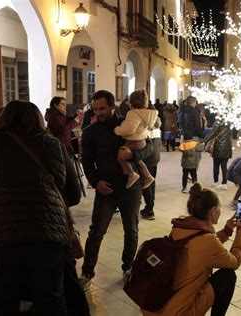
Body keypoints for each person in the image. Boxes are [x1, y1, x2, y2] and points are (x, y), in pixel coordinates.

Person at [0, 100, 82, 315]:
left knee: (0, 305)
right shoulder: (53, 145)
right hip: (46, 239)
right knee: (50, 301)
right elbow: (73, 195)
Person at [80, 90, 152, 290]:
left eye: (102, 108)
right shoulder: (90, 131)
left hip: (130, 186)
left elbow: (150, 147)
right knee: (96, 232)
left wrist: (133, 155)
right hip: (106, 188)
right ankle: (87, 272)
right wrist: (96, 182)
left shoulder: (129, 122)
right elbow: (86, 161)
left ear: (112, 106)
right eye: (95, 109)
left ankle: (128, 267)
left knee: (131, 229)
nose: (99, 112)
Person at [141, 183, 241, 315]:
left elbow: (199, 245)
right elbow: (234, 261)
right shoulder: (207, 241)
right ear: (212, 211)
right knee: (227, 276)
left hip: (158, 307)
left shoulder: (180, 228)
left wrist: (227, 230)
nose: (220, 210)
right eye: (219, 207)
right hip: (180, 312)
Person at [114, 89, 158, 189]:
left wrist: (117, 130)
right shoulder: (147, 114)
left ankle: (131, 174)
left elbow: (129, 129)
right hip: (141, 141)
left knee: (121, 156)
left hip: (133, 141)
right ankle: (147, 176)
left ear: (131, 102)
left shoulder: (133, 113)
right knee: (138, 160)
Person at [140, 106, 162, 220]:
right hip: (155, 158)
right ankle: (150, 207)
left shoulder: (145, 126)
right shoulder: (157, 124)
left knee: (146, 183)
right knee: (152, 182)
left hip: (147, 158)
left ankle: (149, 209)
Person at [204, 121, 232, 190]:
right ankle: (224, 183)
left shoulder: (218, 122)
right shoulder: (229, 122)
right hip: (227, 146)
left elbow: (213, 133)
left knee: (216, 165)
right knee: (224, 166)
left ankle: (215, 181)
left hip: (218, 146)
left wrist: (204, 140)